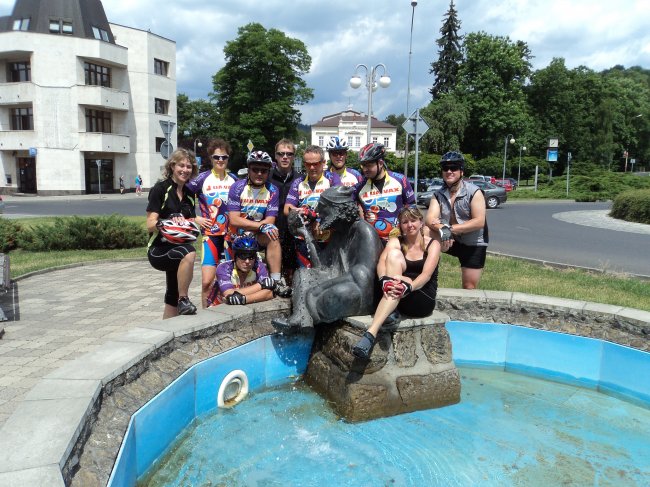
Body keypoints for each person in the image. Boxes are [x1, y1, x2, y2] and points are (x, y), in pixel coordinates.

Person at [353, 206, 441, 359]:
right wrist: (384, 280)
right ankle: (385, 316)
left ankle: (371, 333)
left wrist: (409, 285)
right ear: (400, 225)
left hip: (421, 297)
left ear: (421, 222)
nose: (410, 225)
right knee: (393, 255)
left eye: (413, 220)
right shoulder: (396, 241)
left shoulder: (433, 244)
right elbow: (382, 262)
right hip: (397, 292)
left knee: (402, 281)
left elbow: (426, 276)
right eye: (405, 222)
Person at [226, 150, 291, 297]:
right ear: (248, 170)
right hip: (237, 235)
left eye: (264, 170)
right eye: (255, 169)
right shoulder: (237, 187)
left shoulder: (272, 190)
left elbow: (270, 221)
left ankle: (276, 282)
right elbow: (234, 219)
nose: (259, 174)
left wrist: (259, 227)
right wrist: (260, 225)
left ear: (269, 172)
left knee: (273, 235)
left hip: (257, 234)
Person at [146, 148, 199, 318]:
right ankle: (184, 299)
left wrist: (194, 222)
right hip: (158, 249)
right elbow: (150, 224)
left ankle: (169, 329)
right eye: (181, 165)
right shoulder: (160, 189)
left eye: (189, 166)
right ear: (172, 166)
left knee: (171, 296)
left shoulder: (189, 194)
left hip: (178, 247)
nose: (185, 170)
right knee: (189, 253)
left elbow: (190, 221)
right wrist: (167, 222)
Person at [185, 138, 238, 307]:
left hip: (231, 236)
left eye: (224, 157)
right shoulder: (201, 179)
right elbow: (181, 198)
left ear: (228, 158)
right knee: (207, 282)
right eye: (216, 157)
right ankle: (206, 315)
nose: (220, 160)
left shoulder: (234, 180)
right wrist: (195, 218)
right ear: (210, 158)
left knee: (231, 281)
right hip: (211, 236)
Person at [425, 151, 487, 290]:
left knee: (469, 286)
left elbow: (479, 221)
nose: (449, 171)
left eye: (453, 168)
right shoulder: (438, 194)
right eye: (445, 168)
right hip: (450, 240)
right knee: (425, 231)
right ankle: (426, 276)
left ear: (461, 171)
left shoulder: (474, 192)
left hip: (473, 242)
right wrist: (442, 230)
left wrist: (448, 229)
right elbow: (430, 219)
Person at [284, 145, 341, 268]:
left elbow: (339, 206)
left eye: (316, 164)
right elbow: (287, 208)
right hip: (304, 238)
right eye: (308, 164)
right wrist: (301, 212)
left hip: (328, 238)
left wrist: (319, 219)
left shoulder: (332, 179)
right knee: (307, 274)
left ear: (323, 163)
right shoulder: (298, 182)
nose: (312, 168)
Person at [354, 142, 415, 244]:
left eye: (369, 165)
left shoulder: (400, 180)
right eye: (363, 165)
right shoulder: (359, 187)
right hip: (372, 241)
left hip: (398, 238)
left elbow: (412, 206)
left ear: (381, 163)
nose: (365, 169)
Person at [206, 235, 275, 306]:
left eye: (251, 257)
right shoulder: (223, 268)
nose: (247, 261)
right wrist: (261, 285)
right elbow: (229, 294)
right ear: (235, 256)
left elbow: (269, 293)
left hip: (243, 304)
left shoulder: (259, 266)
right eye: (243, 256)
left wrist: (244, 299)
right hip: (218, 307)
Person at [269, 139, 303, 282]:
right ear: (275, 156)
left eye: (289, 154)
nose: (285, 157)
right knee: (272, 275)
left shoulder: (300, 179)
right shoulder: (267, 177)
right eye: (281, 154)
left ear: (294, 157)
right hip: (271, 232)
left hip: (292, 234)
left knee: (291, 276)